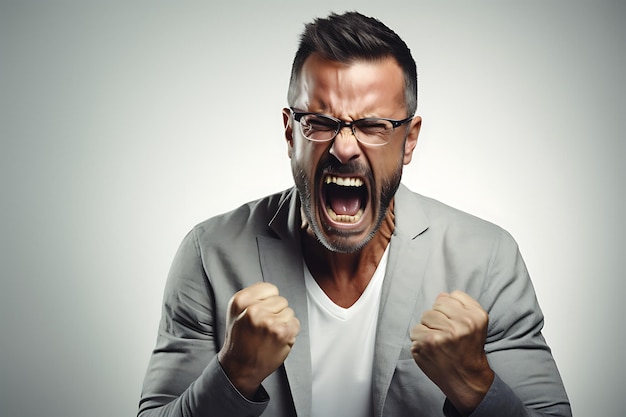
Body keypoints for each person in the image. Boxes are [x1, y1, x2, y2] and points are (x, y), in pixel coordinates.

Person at [138, 11, 571, 417]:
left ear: (410, 140)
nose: (345, 148)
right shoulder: (209, 254)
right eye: (321, 122)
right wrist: (233, 374)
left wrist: (476, 384)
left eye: (373, 126)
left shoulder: (488, 260)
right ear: (291, 133)